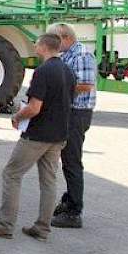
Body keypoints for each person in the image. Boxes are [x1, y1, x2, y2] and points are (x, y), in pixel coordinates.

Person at [0, 34, 75, 241]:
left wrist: (17, 116)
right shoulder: (68, 70)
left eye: (37, 44)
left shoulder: (43, 71)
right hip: (58, 134)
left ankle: (5, 224)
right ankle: (42, 227)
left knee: (12, 174)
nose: (35, 47)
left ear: (44, 47)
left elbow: (35, 107)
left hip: (38, 135)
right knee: (48, 181)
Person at [49, 22, 97, 229]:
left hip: (78, 113)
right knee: (68, 159)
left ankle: (74, 211)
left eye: (54, 41)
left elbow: (85, 85)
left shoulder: (82, 55)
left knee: (72, 161)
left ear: (65, 37)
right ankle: (69, 199)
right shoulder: (68, 55)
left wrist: (58, 88)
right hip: (70, 112)